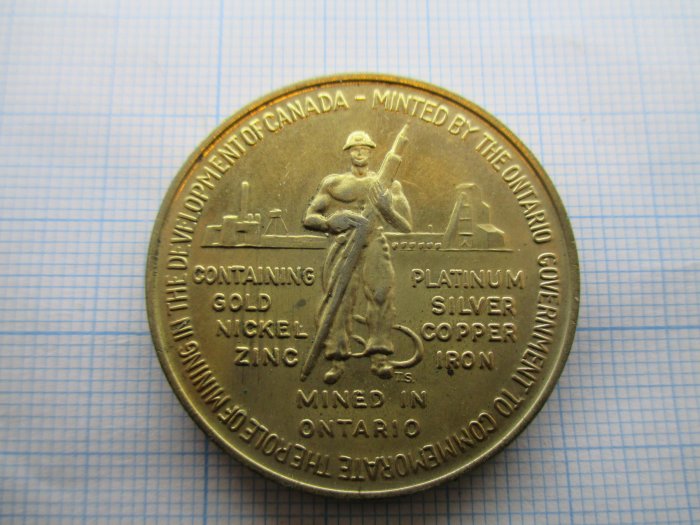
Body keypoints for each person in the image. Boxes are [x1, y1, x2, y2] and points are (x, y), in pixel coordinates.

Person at [303, 131, 413, 384]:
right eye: (355, 148)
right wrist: (330, 222)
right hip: (345, 244)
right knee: (339, 300)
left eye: (364, 148)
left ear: (371, 151)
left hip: (374, 243)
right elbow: (309, 218)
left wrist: (385, 208)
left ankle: (380, 357)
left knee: (381, 296)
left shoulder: (389, 184)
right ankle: (337, 360)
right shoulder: (333, 184)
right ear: (348, 152)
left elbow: (406, 226)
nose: (360, 152)